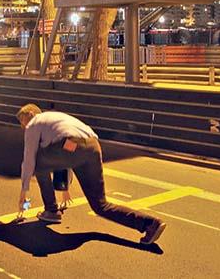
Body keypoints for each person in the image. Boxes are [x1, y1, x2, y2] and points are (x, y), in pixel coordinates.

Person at [16, 104, 167, 245]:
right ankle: (150, 224)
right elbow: (65, 154)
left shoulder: (34, 124)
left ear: (31, 113)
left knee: (37, 161)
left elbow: (29, 159)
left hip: (71, 146)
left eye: (23, 121)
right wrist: (64, 189)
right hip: (92, 147)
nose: (23, 127)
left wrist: (24, 191)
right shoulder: (55, 117)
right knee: (100, 205)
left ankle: (51, 210)